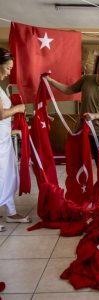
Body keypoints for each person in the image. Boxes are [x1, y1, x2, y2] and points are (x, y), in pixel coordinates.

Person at [47, 61, 99, 164]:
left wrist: (94, 116)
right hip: (81, 129)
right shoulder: (86, 79)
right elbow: (68, 90)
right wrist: (50, 81)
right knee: (78, 164)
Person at [0, 48, 32, 230]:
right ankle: (9, 211)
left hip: (4, 139)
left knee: (8, 174)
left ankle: (11, 212)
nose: (10, 71)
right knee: (1, 176)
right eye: (8, 67)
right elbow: (1, 114)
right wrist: (18, 109)